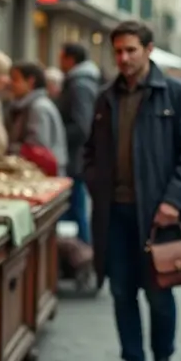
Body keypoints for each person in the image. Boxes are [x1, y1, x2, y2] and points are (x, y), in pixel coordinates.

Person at [83, 20, 181, 361]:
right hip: (115, 214)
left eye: (131, 50)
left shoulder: (177, 94)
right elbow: (90, 150)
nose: (123, 57)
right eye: (118, 51)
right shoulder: (106, 97)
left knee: (159, 291)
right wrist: (94, 181)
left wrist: (174, 201)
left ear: (149, 50)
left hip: (159, 216)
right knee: (121, 291)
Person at [57, 42, 101, 244]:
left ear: (70, 59)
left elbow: (82, 126)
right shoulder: (79, 81)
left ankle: (83, 254)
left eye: (61, 56)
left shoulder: (79, 84)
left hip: (76, 158)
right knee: (76, 207)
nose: (59, 61)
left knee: (77, 208)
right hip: (77, 157)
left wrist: (57, 135)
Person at [7, 61, 68, 176]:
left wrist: (11, 148)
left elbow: (37, 148)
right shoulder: (31, 105)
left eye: (15, 79)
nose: (11, 84)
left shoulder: (37, 108)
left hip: (43, 175)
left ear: (30, 81)